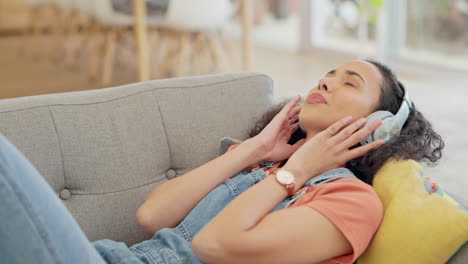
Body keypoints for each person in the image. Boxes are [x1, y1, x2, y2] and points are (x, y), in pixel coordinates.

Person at [0, 60, 444, 264]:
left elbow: (214, 247)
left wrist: (299, 170)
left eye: (350, 83)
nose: (326, 83)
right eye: (327, 74)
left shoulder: (349, 200)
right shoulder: (260, 166)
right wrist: (254, 151)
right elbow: (152, 215)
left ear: (378, 126)